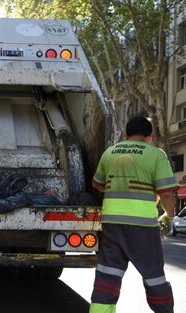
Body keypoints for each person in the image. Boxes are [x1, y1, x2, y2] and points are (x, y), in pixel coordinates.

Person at [89, 115, 177, 313]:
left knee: (107, 275)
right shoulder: (156, 154)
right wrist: (169, 216)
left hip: (112, 224)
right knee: (154, 276)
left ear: (126, 134)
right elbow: (166, 193)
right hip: (143, 226)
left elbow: (97, 183)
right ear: (149, 136)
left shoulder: (110, 153)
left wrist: (118, 186)